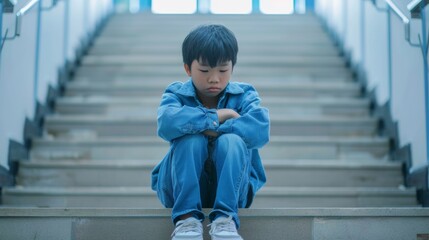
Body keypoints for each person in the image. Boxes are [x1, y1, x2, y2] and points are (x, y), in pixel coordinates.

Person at [151, 24, 270, 240]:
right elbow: (166, 124)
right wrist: (219, 116)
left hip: (233, 190)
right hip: (179, 188)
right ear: (188, 68)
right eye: (205, 71)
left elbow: (260, 130)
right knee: (191, 140)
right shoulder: (176, 93)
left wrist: (212, 130)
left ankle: (225, 220)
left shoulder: (244, 94)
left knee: (232, 142)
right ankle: (186, 219)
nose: (214, 78)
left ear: (232, 67)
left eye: (223, 70)